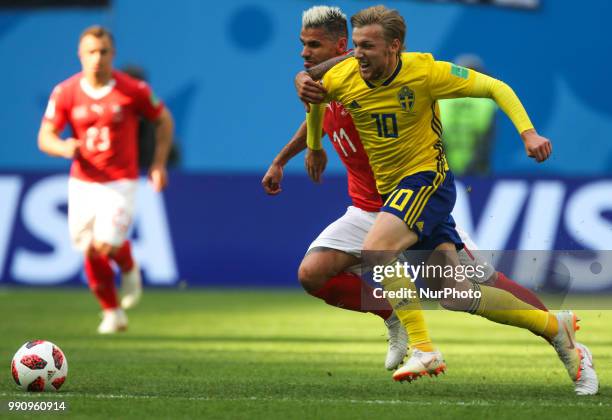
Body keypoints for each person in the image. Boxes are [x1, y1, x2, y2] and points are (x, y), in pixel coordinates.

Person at [298, 5, 597, 395]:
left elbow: (495, 87)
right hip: (395, 191)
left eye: (368, 46)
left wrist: (528, 134)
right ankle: (555, 328)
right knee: (456, 294)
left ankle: (423, 348)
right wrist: (314, 144)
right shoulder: (345, 75)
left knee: (378, 250)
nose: (358, 55)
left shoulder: (425, 72)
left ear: (395, 47)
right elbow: (316, 98)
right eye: (355, 46)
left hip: (427, 180)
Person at [38, 26, 174, 334]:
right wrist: (63, 147)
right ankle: (112, 313)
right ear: (80, 55)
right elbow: (45, 136)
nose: (97, 58)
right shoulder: (66, 92)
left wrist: (158, 163)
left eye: (103, 51)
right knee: (89, 250)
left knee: (103, 245)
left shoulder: (132, 89)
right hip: (82, 181)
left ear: (113, 54)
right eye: (91, 52)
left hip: (120, 182)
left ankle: (127, 267)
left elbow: (163, 119)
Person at [438, 54, 497, 176]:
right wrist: (471, 171)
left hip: (444, 174)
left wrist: (446, 168)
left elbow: (436, 139)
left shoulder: (440, 101)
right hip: (476, 175)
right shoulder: (487, 103)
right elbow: (485, 144)